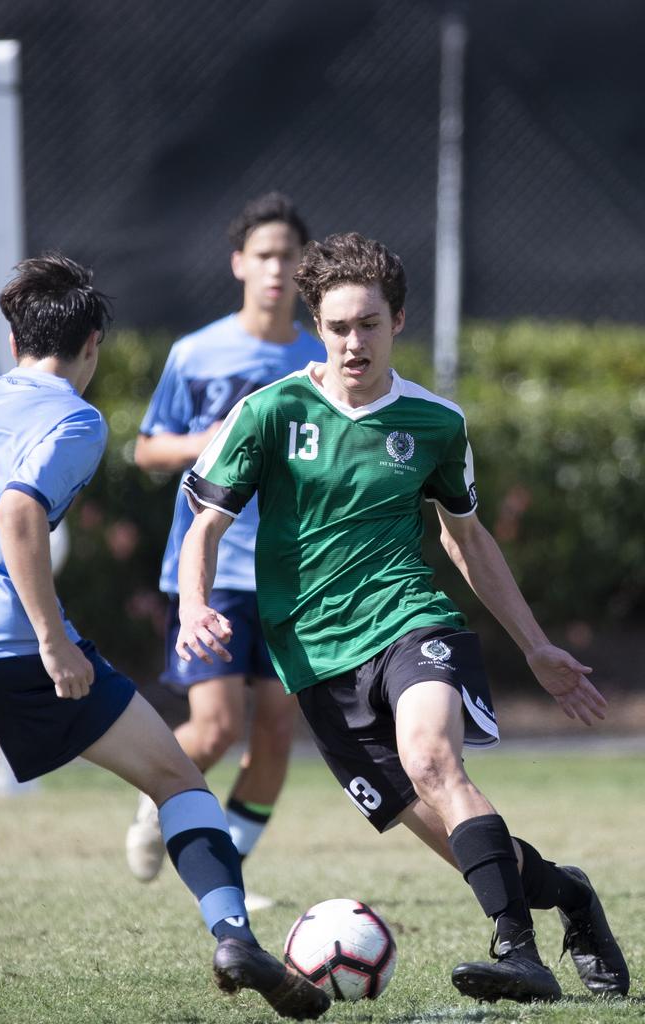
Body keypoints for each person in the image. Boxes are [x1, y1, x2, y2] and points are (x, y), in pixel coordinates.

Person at [174, 232, 630, 1005]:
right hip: (316, 663)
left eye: (370, 325)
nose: (355, 343)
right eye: (340, 326)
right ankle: (572, 898)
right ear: (317, 326)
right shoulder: (270, 412)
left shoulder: (434, 422)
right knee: (460, 841)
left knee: (432, 760)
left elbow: (467, 540)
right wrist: (193, 604)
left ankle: (519, 954)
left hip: (410, 622)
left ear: (399, 322)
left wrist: (537, 646)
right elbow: (206, 527)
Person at [0, 253, 329, 1024]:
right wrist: (54, 643)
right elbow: (21, 513)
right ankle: (230, 935)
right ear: (92, 345)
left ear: (15, 339)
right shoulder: (76, 417)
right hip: (13, 640)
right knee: (179, 781)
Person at [126, 193, 323, 904]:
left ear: (306, 269)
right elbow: (147, 448)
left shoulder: (319, 359)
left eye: (290, 256)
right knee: (213, 726)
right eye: (265, 254)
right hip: (210, 568)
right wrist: (215, 443)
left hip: (290, 576)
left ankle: (229, 867)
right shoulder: (196, 352)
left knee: (274, 733)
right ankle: (159, 802)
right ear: (240, 263)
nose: (277, 268)